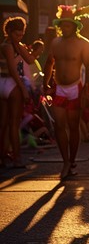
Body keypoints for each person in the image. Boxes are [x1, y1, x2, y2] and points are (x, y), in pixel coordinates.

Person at [43, 4, 89, 179]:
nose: (64, 28)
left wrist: (86, 88)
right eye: (62, 25)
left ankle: (72, 160)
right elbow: (49, 63)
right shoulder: (55, 43)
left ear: (74, 26)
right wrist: (45, 84)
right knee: (59, 125)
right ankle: (65, 161)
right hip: (59, 88)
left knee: (74, 127)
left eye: (67, 25)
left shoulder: (84, 43)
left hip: (75, 88)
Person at [0, 16, 35, 167]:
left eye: (21, 34)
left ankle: (4, 156)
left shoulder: (15, 45)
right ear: (8, 31)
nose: (19, 37)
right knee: (11, 124)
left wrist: (19, 43)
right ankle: (17, 158)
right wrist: (23, 89)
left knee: (6, 124)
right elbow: (13, 71)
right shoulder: (7, 46)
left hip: (4, 83)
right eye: (16, 34)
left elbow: (30, 60)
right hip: (11, 82)